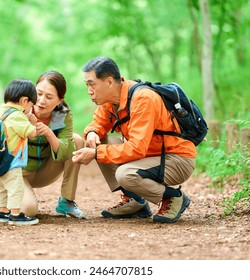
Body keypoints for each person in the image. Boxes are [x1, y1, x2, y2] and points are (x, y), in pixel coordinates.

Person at [72, 56, 197, 223]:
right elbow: (97, 123)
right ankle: (135, 201)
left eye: (91, 84)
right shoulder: (111, 101)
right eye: (87, 85)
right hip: (149, 156)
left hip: (176, 158)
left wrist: (95, 153)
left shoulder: (143, 99)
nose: (89, 91)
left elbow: (137, 149)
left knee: (125, 174)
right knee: (100, 142)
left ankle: (174, 197)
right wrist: (92, 133)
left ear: (109, 82)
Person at [0, 70, 85, 219]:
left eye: (49, 97)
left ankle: (66, 201)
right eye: (39, 93)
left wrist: (49, 133)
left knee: (77, 141)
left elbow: (65, 153)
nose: (41, 100)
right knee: (28, 210)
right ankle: (4, 193)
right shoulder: (17, 111)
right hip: (19, 173)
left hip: (45, 170)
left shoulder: (63, 115)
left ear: (59, 100)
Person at [0, 78, 39, 225]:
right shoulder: (18, 115)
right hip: (12, 159)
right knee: (16, 187)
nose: (30, 109)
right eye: (31, 105)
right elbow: (31, 133)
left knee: (1, 186)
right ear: (24, 101)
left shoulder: (0, 111)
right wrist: (32, 123)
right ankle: (14, 214)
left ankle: (2, 212)